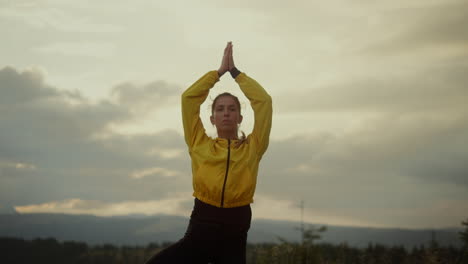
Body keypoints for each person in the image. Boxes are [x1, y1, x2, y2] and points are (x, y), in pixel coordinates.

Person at [144, 41, 272, 264]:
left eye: (232, 109)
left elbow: (264, 102)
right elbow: (188, 99)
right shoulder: (198, 142)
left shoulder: (254, 146)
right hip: (204, 221)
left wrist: (235, 74)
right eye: (220, 109)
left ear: (240, 118)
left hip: (237, 223)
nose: (226, 114)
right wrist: (218, 73)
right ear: (212, 118)